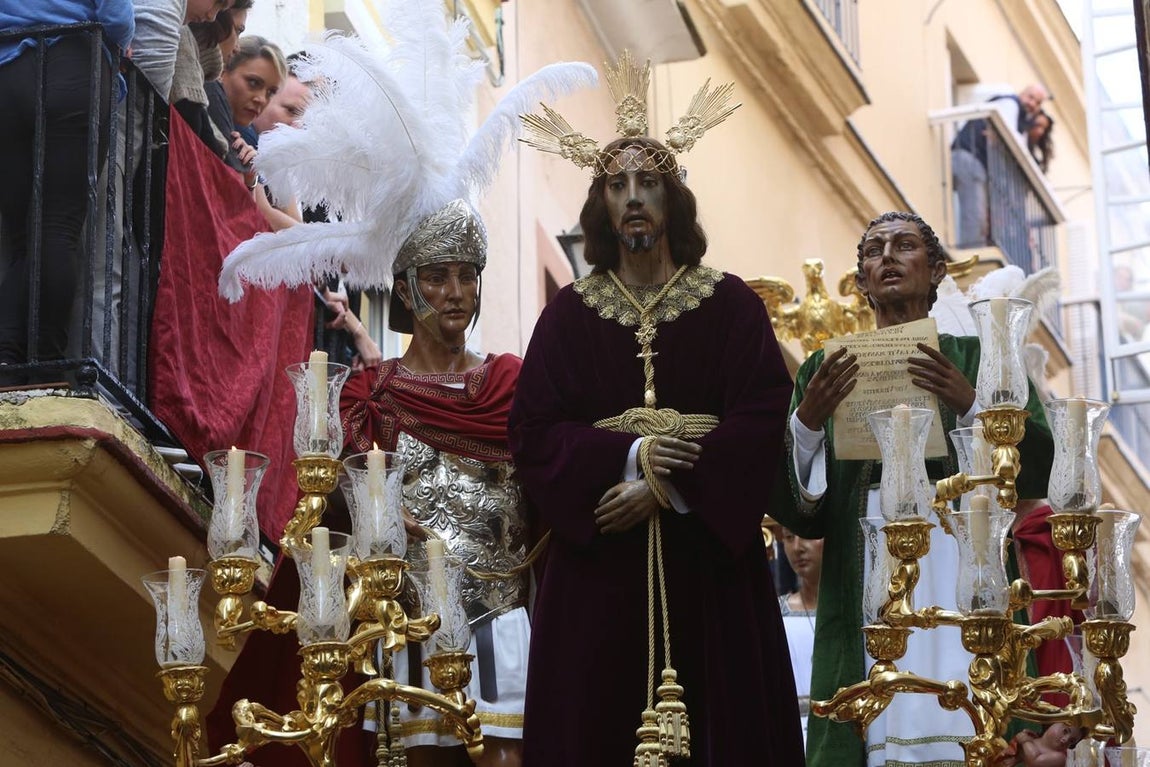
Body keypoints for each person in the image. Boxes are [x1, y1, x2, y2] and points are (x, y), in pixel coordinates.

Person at [511, 58, 804, 764]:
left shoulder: (729, 304)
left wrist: (671, 488)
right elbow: (533, 430)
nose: (634, 197)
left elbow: (763, 415)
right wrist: (631, 458)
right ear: (602, 206)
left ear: (672, 199)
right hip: (599, 573)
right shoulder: (570, 316)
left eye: (648, 183)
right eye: (618, 185)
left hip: (708, 566)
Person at [773, 211, 1054, 767]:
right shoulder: (823, 371)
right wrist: (808, 422)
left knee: (975, 709)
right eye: (874, 251)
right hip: (868, 573)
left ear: (936, 272)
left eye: (905, 246)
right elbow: (795, 509)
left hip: (961, 561)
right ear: (861, 283)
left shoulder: (978, 355)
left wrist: (970, 401)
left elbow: (1041, 466)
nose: (888, 257)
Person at [340, 200, 529, 767]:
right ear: (404, 289)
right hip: (408, 617)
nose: (455, 291)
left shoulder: (509, 384)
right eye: (436, 276)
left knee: (506, 757)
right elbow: (341, 496)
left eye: (468, 275)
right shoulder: (371, 395)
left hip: (500, 610)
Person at [0, 0, 133, 375]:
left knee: (21, 236)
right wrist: (122, 43)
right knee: (57, 226)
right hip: (73, 62)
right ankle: (46, 362)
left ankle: (8, 355)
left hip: (6, 72)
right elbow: (117, 16)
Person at [952, 84, 1048, 247]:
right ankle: (972, 254)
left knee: (978, 214)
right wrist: (1000, 140)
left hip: (974, 162)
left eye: (1038, 103)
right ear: (1021, 94)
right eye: (1030, 97)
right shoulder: (1010, 103)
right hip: (969, 158)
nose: (1032, 104)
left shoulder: (1020, 119)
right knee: (975, 215)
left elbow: (1012, 143)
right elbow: (1010, 137)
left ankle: (976, 249)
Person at [205, 34, 285, 187]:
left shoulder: (243, 141)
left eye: (271, 92)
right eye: (253, 82)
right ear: (223, 71)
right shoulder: (200, 112)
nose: (261, 99)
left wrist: (250, 179)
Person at [778, 527, 824, 747]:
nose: (797, 547)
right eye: (788, 537)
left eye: (806, 534)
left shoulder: (854, 612)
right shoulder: (776, 614)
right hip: (790, 735)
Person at [996, 723, 1086, 766]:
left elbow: (1035, 761)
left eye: (1071, 741)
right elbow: (1018, 755)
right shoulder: (1033, 737)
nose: (1065, 739)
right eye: (1065, 731)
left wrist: (1025, 741)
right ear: (1054, 723)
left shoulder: (1059, 757)